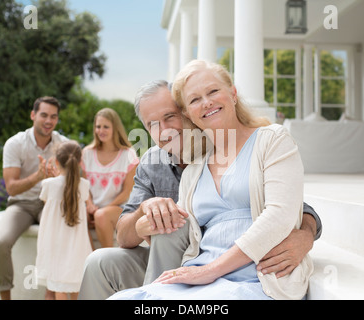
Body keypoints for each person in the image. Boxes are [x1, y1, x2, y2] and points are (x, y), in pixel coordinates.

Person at [77, 80, 321, 300]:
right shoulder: (151, 162)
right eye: (152, 124)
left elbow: (293, 206)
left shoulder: (221, 147)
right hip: (173, 260)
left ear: (187, 113)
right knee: (99, 261)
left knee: (172, 225)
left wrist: (305, 235)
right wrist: (144, 211)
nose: (164, 130)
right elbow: (123, 236)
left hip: (222, 260)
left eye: (170, 116)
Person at [0, 96, 68, 300]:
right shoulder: (15, 144)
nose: (48, 121)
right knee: (1, 241)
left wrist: (59, 176)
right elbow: (11, 188)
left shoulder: (62, 144)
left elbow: (75, 178)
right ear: (33, 115)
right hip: (21, 204)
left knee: (61, 237)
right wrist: (38, 176)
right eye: (44, 115)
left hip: (49, 204)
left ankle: (50, 293)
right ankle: (5, 297)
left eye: (53, 117)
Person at [36, 140, 92, 300]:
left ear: (56, 161)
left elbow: (47, 202)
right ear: (80, 162)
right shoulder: (84, 185)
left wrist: (54, 178)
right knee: (75, 285)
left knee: (59, 287)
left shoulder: (48, 184)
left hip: (55, 245)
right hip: (77, 246)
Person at [81, 108, 139, 248]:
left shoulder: (128, 155)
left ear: (115, 128)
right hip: (93, 207)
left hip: (119, 207)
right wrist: (89, 205)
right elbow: (83, 185)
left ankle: (107, 257)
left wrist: (104, 208)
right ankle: (90, 256)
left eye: (106, 127)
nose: (101, 130)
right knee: (76, 214)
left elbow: (127, 191)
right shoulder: (87, 153)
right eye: (98, 126)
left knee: (101, 215)